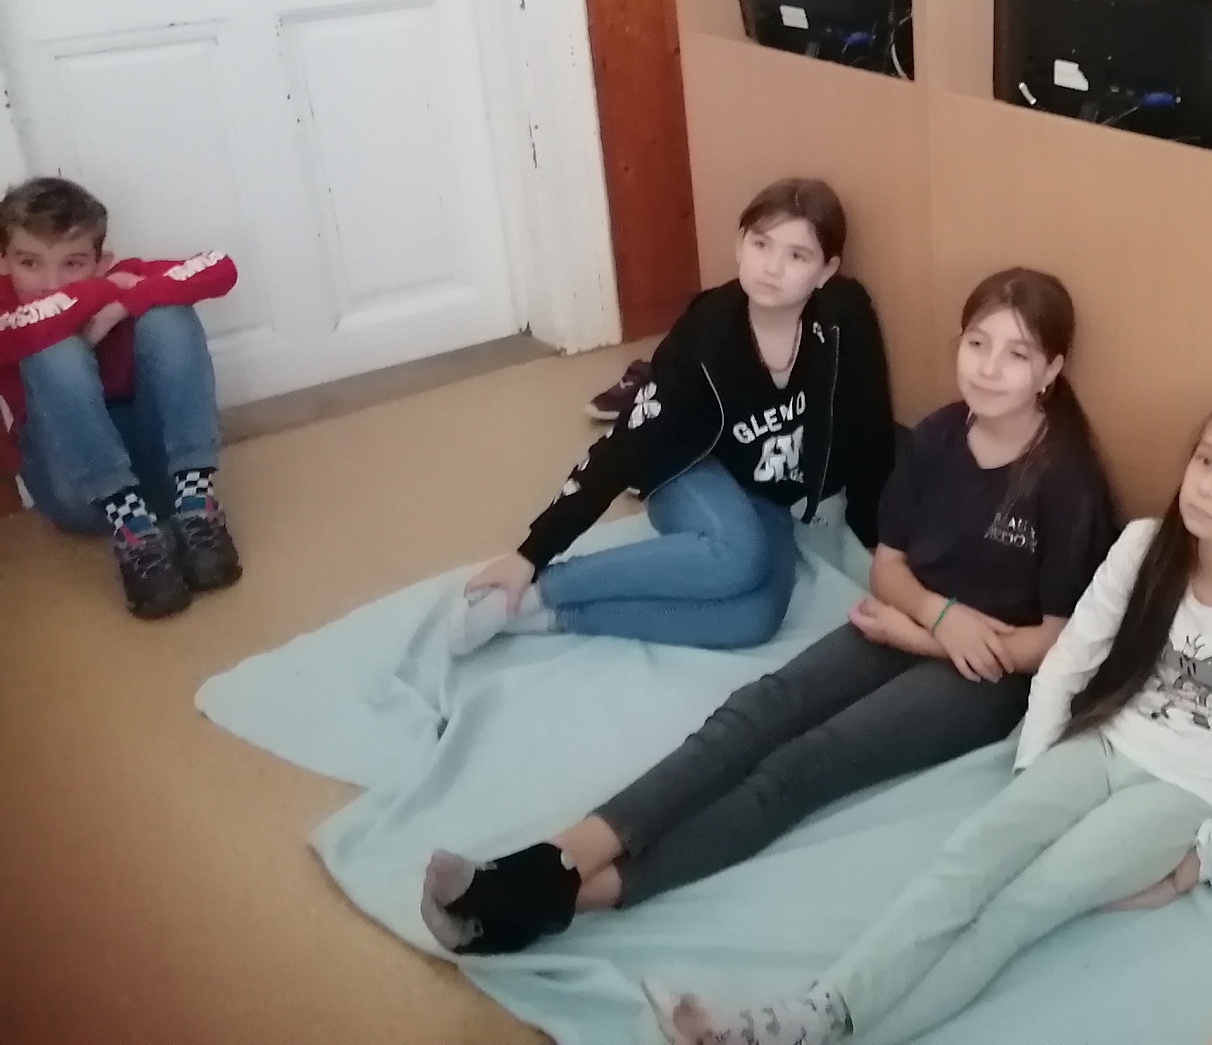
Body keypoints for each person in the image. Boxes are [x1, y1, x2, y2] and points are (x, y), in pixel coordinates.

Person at [420, 267, 1118, 956]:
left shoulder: (1067, 482)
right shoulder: (936, 437)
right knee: (757, 710)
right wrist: (934, 617)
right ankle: (557, 857)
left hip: (986, 672)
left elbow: (1052, 642)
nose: (989, 368)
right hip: (918, 621)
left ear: (1051, 370)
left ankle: (564, 900)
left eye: (1017, 354)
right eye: (978, 344)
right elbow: (889, 566)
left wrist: (926, 635)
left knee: (805, 764)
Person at [649, 397, 1212, 1045]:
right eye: (1205, 459)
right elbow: (1069, 660)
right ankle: (812, 1013)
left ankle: (831, 1035)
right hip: (1105, 744)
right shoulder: (1144, 546)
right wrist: (1033, 768)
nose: (1207, 485)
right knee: (968, 859)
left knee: (1021, 906)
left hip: (1186, 790)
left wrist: (1198, 864)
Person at [442, 178, 896, 655]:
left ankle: (548, 616)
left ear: (826, 271)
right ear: (740, 245)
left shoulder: (844, 318)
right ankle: (543, 590)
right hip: (688, 469)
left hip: (765, 494)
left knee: (757, 619)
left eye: (797, 256)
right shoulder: (707, 334)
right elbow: (625, 444)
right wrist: (530, 555)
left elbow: (871, 429)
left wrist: (876, 541)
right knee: (737, 556)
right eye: (761, 244)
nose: (772, 267)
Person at [0, 177, 239, 619]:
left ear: (101, 262)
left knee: (168, 313)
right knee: (52, 348)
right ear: (3, 260)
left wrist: (126, 303)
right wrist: (107, 291)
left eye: (73, 263)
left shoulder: (116, 275)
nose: (51, 283)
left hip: (161, 476)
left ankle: (196, 507)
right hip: (77, 492)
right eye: (29, 263)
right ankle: (133, 533)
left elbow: (219, 267)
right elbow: (32, 327)